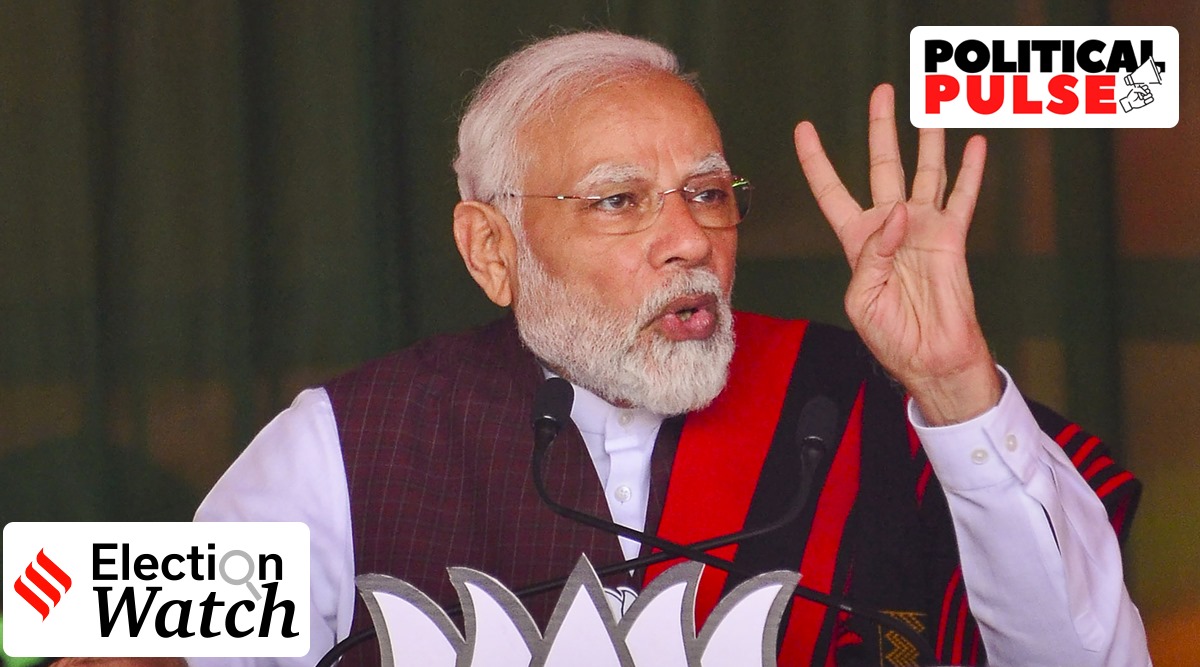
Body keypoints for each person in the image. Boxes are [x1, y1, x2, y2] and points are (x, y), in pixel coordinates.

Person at [193, 31, 1149, 666]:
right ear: (493, 247)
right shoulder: (351, 442)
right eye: (619, 200)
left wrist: (956, 387)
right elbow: (118, 633)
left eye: (708, 192)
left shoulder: (870, 403)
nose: (691, 238)